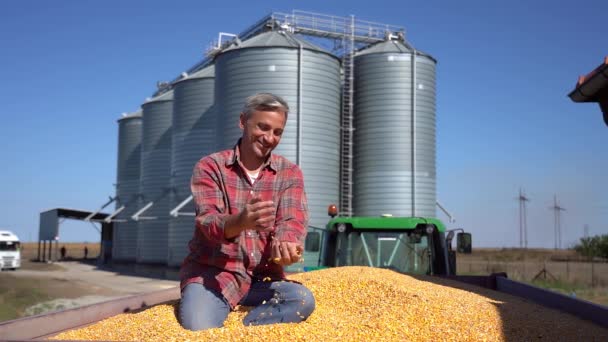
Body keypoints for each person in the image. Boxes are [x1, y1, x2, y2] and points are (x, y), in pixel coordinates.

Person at [179, 93, 314, 331]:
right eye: (263, 127)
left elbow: (292, 219)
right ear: (243, 121)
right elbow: (208, 221)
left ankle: (244, 331)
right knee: (197, 324)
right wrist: (240, 221)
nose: (269, 138)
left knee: (302, 300)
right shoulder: (211, 167)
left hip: (263, 280)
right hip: (215, 275)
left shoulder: (290, 173)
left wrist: (287, 243)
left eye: (277, 132)